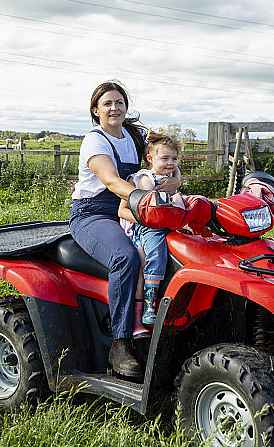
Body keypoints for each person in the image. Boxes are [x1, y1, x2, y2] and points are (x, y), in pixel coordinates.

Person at [69, 81, 181, 377]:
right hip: (94, 214)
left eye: (119, 102)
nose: (114, 108)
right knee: (126, 257)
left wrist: (174, 177)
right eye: (107, 103)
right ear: (96, 110)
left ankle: (160, 328)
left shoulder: (135, 136)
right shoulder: (95, 141)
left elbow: (163, 155)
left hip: (134, 209)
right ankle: (120, 343)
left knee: (176, 247)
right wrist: (145, 198)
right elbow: (110, 181)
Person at [119, 131, 185, 338]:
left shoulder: (170, 177)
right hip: (146, 225)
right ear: (150, 158)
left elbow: (174, 181)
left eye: (174, 159)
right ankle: (147, 306)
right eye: (165, 158)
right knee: (153, 256)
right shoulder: (145, 179)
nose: (170, 163)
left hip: (165, 223)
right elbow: (145, 208)